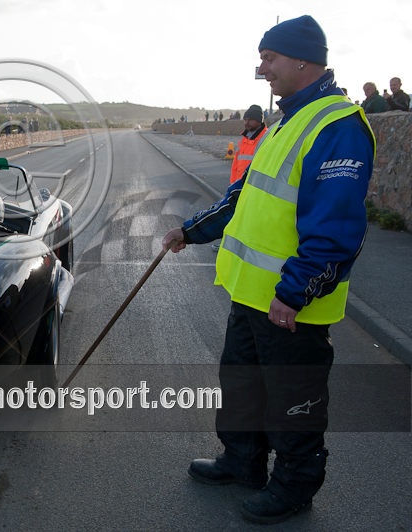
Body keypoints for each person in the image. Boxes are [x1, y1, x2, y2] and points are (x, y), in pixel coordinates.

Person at [162, 15, 375, 525]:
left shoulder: (337, 125)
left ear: (303, 59)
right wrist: (190, 231)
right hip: (250, 295)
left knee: (292, 398)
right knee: (242, 383)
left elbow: (337, 229)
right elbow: (244, 198)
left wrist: (296, 293)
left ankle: (295, 485)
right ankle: (243, 462)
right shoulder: (285, 121)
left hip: (290, 306)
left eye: (270, 58)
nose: (262, 69)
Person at [229, 104, 268, 184]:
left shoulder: (267, 138)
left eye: (250, 120)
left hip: (254, 189)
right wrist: (233, 185)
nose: (247, 123)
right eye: (245, 120)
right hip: (239, 187)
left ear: (259, 121)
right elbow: (235, 165)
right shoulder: (244, 139)